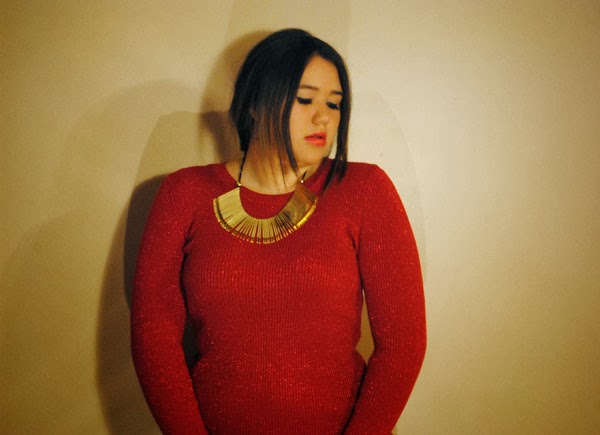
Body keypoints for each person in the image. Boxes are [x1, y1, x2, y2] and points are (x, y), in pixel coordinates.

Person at [131, 28, 426, 435]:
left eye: (334, 103)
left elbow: (403, 345)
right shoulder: (185, 193)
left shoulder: (364, 190)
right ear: (255, 102)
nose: (323, 117)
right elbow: (154, 339)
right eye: (305, 99)